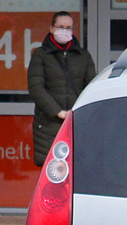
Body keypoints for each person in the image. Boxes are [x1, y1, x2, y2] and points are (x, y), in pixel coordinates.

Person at [28, 11, 96, 166]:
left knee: (79, 167)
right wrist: (58, 112)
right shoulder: (40, 54)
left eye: (69, 27)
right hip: (48, 124)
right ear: (51, 28)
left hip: (76, 122)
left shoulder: (83, 56)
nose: (65, 31)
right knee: (53, 170)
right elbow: (35, 88)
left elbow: (90, 87)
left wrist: (79, 112)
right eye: (60, 27)